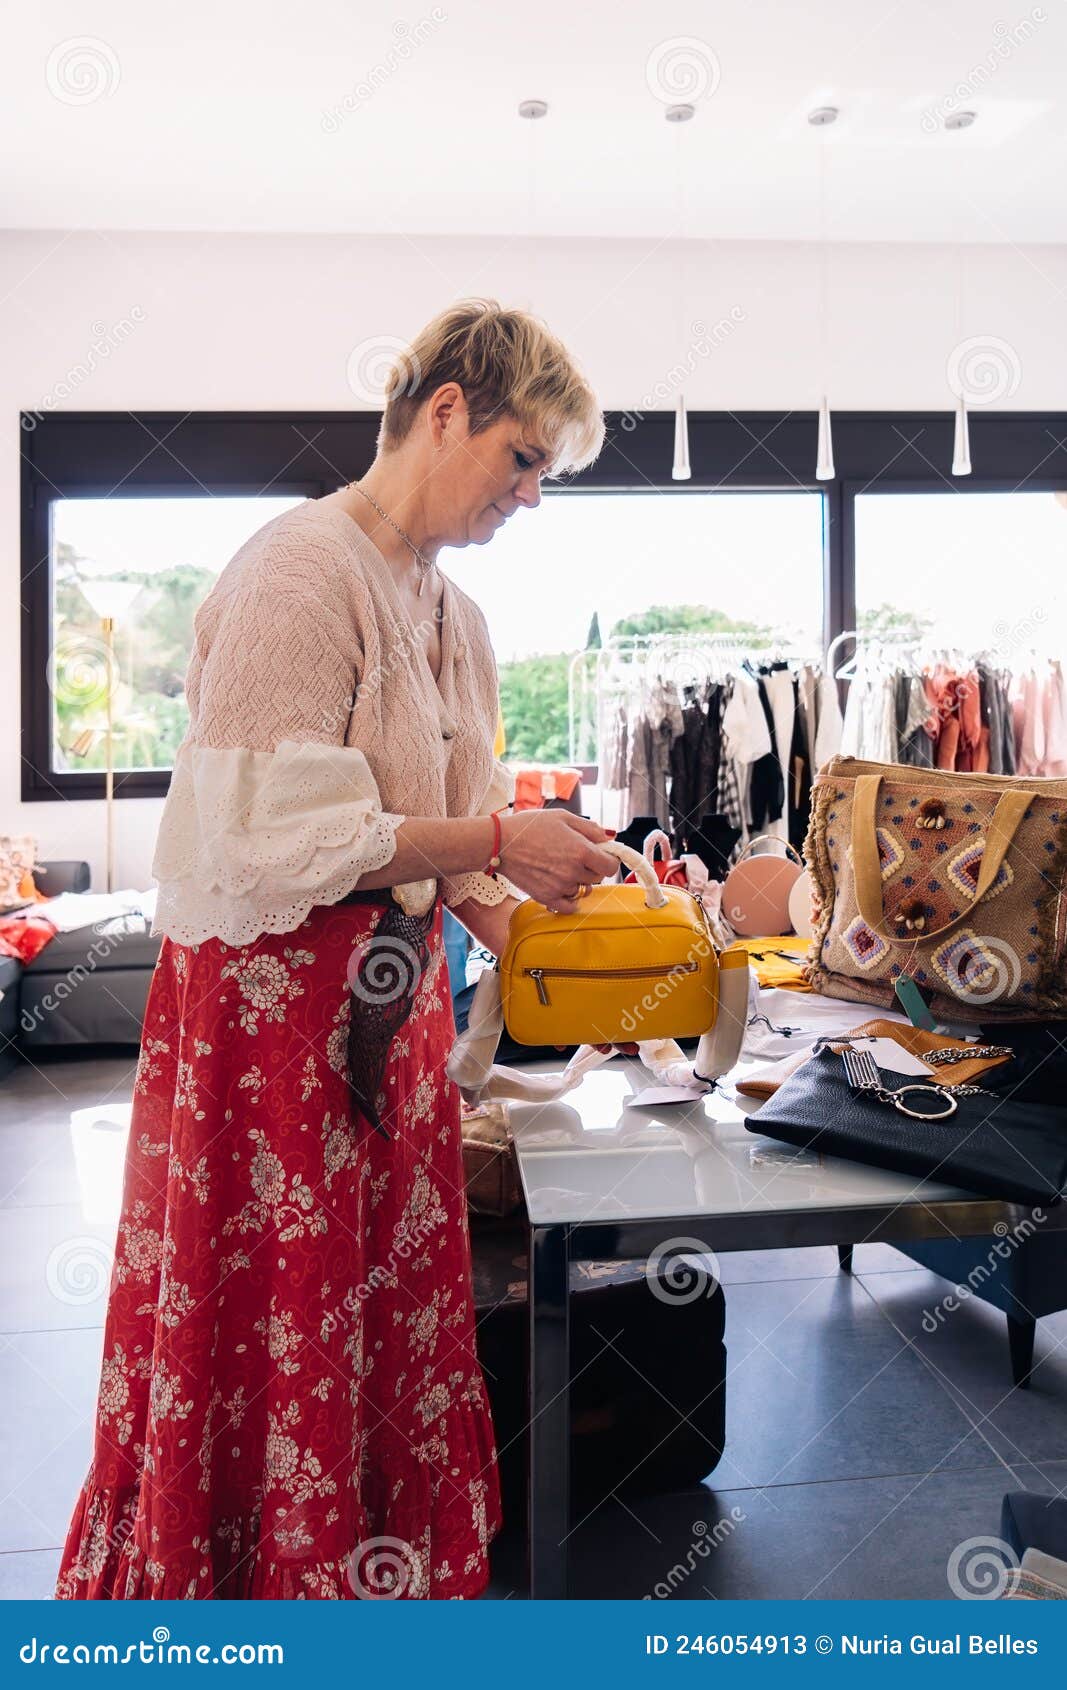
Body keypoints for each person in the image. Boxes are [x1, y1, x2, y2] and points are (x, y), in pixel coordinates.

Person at [57, 299, 615, 1600]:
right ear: (443, 412)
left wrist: (589, 929)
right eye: (522, 458)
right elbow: (260, 838)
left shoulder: (456, 615)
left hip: (388, 1016)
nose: (531, 495)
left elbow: (466, 864)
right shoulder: (298, 571)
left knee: (378, 1315)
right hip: (268, 1024)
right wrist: (497, 833)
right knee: (279, 1316)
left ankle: (370, 1580)